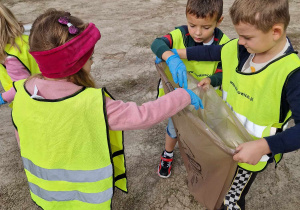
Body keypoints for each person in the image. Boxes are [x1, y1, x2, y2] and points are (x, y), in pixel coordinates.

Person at [8, 9, 204, 210]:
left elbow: (22, 140)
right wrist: (183, 95)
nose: (92, 61)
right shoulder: (92, 103)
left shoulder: (21, 93)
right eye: (90, 57)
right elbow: (142, 115)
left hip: (45, 193)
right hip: (85, 200)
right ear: (76, 64)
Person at [174, 0, 300, 209]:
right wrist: (171, 55)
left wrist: (264, 146)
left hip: (251, 154)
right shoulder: (240, 48)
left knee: (229, 199)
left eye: (247, 37)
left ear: (275, 31)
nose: (239, 42)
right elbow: (209, 53)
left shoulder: (292, 74)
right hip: (224, 140)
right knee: (219, 179)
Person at [151, 0, 229, 178]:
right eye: (192, 25)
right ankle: (168, 154)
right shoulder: (180, 34)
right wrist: (169, 56)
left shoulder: (224, 43)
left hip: (204, 99)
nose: (198, 32)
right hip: (179, 99)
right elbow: (157, 44)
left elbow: (225, 70)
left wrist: (212, 79)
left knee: (205, 132)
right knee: (174, 128)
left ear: (219, 20)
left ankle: (200, 157)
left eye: (206, 27)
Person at [0, 3, 39, 105]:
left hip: (34, 100)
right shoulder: (25, 36)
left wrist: (2, 98)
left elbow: (23, 86)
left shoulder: (10, 58)